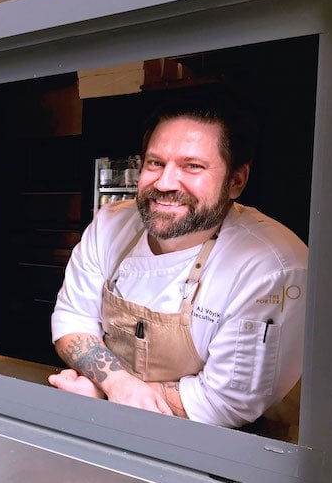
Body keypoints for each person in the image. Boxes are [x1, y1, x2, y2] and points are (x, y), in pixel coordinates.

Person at [48, 93, 307, 429]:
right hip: (114, 428)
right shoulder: (110, 225)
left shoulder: (273, 266)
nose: (166, 183)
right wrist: (117, 384)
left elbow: (222, 403)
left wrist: (101, 395)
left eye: (192, 166)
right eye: (155, 163)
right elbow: (72, 319)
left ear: (236, 181)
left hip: (230, 453)